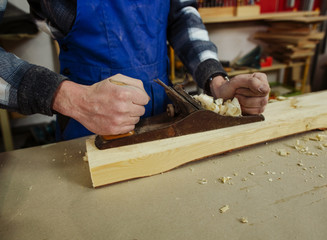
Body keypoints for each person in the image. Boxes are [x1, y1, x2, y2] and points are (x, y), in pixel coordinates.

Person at [0, 0, 270, 141]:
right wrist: (67, 97)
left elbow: (181, 15)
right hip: (87, 123)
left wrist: (216, 80)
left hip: (167, 116)